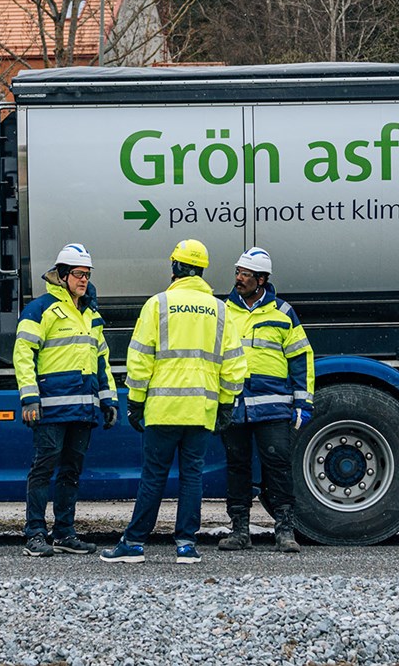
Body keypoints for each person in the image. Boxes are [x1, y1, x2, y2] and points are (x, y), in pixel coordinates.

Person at [100, 238, 247, 565]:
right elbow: (235, 364)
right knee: (192, 476)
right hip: (200, 410)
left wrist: (135, 402)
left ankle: (135, 543)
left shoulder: (158, 305)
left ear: (175, 268)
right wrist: (225, 405)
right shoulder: (220, 310)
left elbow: (140, 359)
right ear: (202, 270)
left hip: (163, 409)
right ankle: (186, 545)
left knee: (153, 476)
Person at [13, 243, 118, 557]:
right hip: (51, 407)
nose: (83, 280)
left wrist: (108, 399)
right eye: (77, 274)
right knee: (43, 469)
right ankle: (35, 534)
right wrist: (29, 398)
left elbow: (102, 359)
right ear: (61, 275)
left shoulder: (89, 314)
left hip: (82, 408)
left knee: (71, 471)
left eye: (87, 275)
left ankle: (64, 533)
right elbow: (23, 354)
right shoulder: (40, 309)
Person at [218, 246, 315, 553]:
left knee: (278, 467)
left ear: (261, 279)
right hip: (235, 405)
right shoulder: (223, 311)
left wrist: (303, 403)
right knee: (237, 467)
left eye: (245, 274)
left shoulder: (283, 313)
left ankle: (285, 531)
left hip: (273, 407)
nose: (239, 279)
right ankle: (239, 530)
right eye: (237, 272)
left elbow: (301, 357)